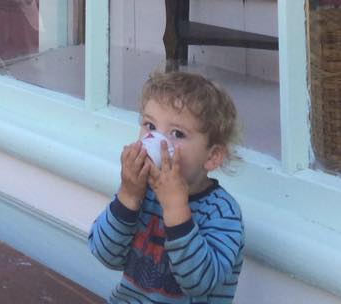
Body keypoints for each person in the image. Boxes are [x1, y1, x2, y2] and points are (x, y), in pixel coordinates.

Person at [88, 70, 243, 303]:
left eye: (177, 133)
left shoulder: (222, 212)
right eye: (150, 126)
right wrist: (128, 196)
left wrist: (176, 208)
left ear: (212, 157)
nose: (154, 141)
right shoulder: (141, 192)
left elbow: (200, 284)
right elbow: (105, 254)